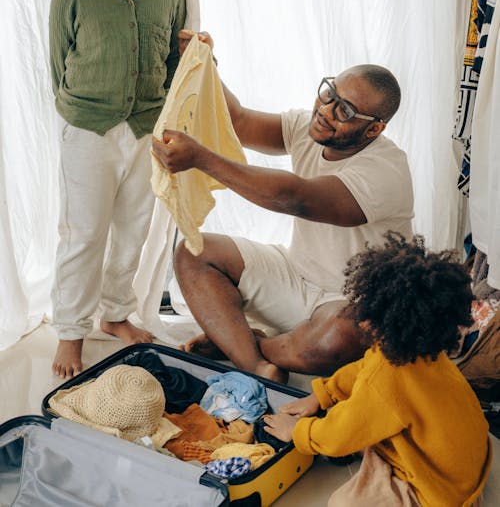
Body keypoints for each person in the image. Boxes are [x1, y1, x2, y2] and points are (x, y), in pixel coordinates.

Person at [152, 38, 414, 382]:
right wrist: (205, 63)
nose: (327, 110)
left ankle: (246, 343)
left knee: (341, 338)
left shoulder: (386, 170)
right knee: (193, 253)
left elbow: (297, 198)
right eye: (329, 92)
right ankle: (258, 364)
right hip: (294, 275)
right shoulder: (309, 126)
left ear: (374, 128)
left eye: (345, 111)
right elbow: (240, 122)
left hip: (348, 301)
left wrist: (201, 159)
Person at [50, 0, 186, 379]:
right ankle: (70, 330)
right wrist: (82, 115)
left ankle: (115, 314)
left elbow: (174, 62)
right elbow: (57, 65)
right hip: (88, 128)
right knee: (83, 234)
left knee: (133, 228)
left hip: (147, 126)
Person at [262, 234, 491, 507]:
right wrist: (321, 396)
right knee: (356, 414)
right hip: (466, 467)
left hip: (440, 492)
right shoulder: (422, 352)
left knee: (342, 502)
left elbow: (339, 435)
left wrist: (298, 431)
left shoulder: (387, 382)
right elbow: (364, 368)